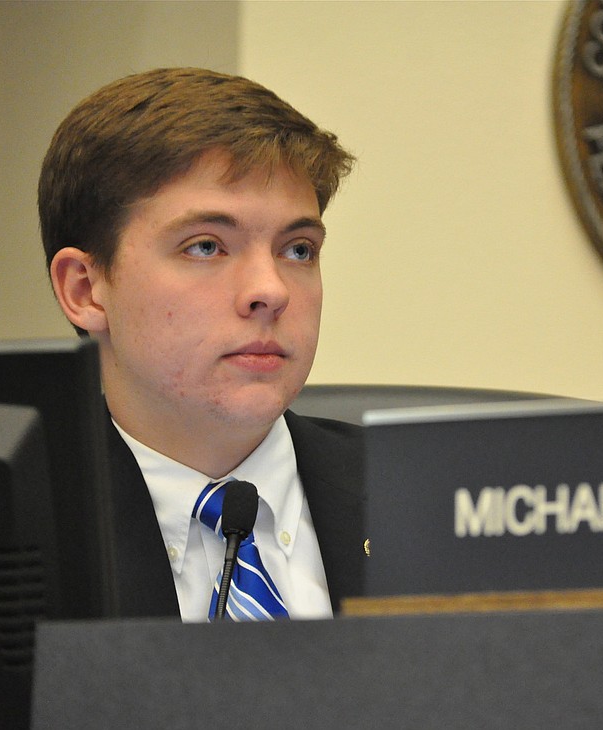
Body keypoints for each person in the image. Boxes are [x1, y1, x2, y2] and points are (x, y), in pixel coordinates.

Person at [40, 67, 363, 621]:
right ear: (86, 290)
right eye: (207, 246)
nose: (271, 290)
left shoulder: (429, 504)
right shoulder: (15, 530)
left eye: (299, 249)